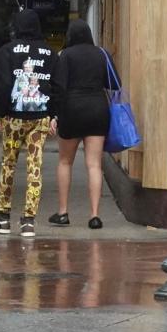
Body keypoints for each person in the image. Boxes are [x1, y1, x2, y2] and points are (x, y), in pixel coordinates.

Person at [0, 9, 57, 237]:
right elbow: (56, 86)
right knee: (34, 166)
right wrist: (53, 114)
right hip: (40, 116)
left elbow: (4, 84)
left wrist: (1, 113)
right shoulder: (50, 53)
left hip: (13, 117)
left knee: (8, 164)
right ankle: (29, 221)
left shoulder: (6, 51)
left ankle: (3, 218)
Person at [48, 20, 118, 230]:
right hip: (97, 109)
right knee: (94, 164)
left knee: (65, 162)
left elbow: (58, 88)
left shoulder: (65, 56)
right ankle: (95, 215)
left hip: (72, 110)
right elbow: (115, 84)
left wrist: (54, 115)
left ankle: (63, 212)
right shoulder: (101, 54)